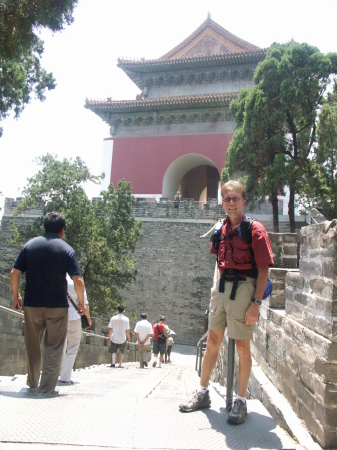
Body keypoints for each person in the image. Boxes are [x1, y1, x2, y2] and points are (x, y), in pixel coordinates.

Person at [179, 180, 274, 424]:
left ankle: (240, 402)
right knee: (212, 339)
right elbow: (218, 261)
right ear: (222, 203)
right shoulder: (219, 229)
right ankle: (202, 392)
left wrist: (256, 303)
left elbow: (263, 271)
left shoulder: (255, 230)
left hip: (244, 289)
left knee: (242, 346)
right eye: (227, 199)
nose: (231, 203)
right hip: (221, 288)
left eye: (235, 199)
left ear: (244, 202)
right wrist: (215, 290)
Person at [10, 212, 86, 395]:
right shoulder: (67, 249)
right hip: (57, 307)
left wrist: (16, 296)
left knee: (32, 345)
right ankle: (47, 389)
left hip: (32, 305)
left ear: (44, 227)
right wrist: (81, 303)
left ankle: (33, 383)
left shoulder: (30, 245)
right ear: (62, 230)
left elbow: (14, 273)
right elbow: (78, 281)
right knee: (54, 348)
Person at [59, 274, 91, 384]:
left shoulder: (56, 277)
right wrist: (88, 319)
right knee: (72, 348)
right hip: (74, 317)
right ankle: (65, 377)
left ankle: (60, 372)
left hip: (58, 316)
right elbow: (85, 304)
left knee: (60, 345)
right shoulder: (77, 281)